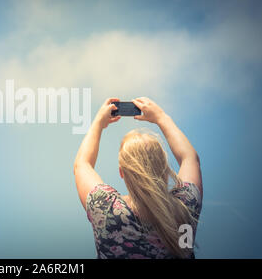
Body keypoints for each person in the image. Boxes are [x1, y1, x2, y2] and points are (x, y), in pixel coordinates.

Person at [73, 97, 203, 259]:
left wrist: (99, 122)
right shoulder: (185, 209)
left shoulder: (106, 209)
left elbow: (82, 164)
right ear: (164, 168)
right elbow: (190, 158)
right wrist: (161, 117)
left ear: (122, 172)